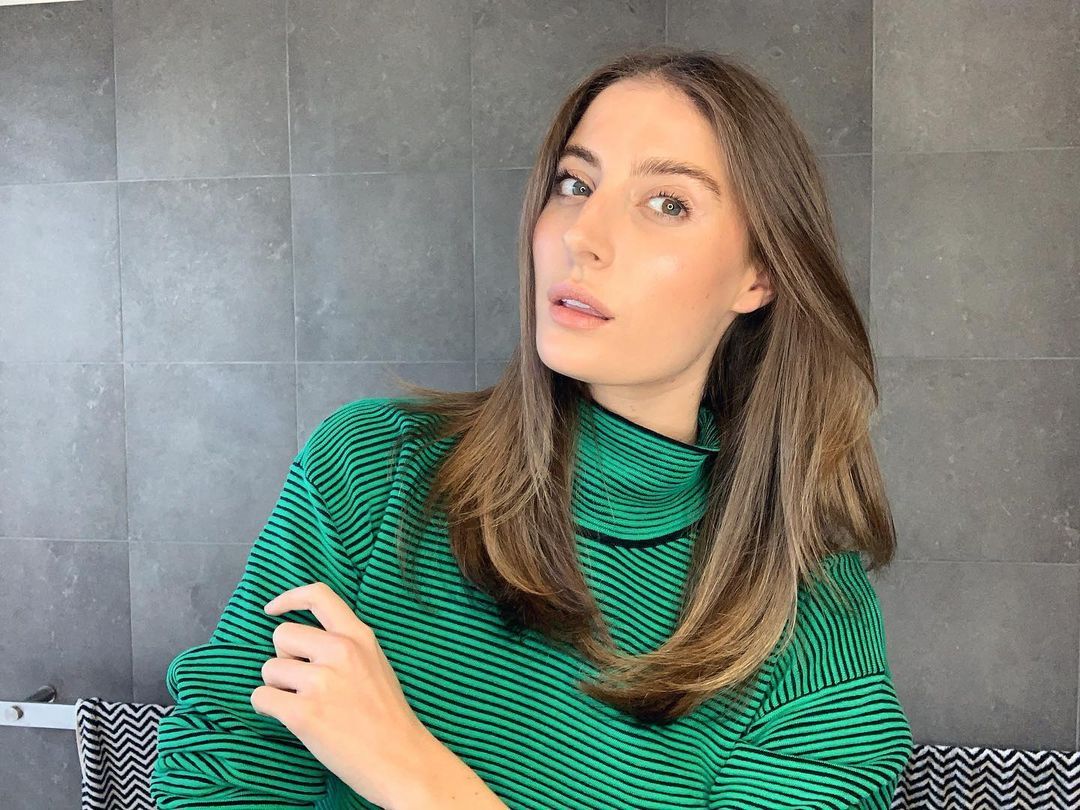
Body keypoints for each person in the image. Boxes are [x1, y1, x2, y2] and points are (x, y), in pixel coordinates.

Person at [151, 45, 914, 809]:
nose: (584, 234)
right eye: (575, 184)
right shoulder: (375, 468)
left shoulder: (816, 630)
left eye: (667, 204)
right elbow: (219, 774)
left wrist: (414, 775)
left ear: (759, 275)